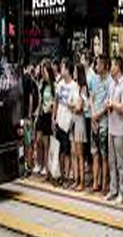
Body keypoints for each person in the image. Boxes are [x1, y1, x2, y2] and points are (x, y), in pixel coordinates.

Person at [105, 56, 123, 204]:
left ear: (118, 67)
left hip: (120, 129)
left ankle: (122, 191)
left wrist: (112, 104)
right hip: (111, 127)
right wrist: (108, 104)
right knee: (111, 161)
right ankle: (113, 189)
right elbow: (108, 101)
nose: (110, 68)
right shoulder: (111, 84)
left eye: (113, 65)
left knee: (121, 163)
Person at [53, 58, 77, 188]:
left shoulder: (74, 86)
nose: (60, 70)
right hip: (59, 121)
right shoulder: (60, 84)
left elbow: (75, 104)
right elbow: (56, 101)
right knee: (59, 150)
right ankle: (61, 175)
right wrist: (53, 117)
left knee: (67, 151)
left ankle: (67, 176)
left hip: (68, 122)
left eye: (62, 67)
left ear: (67, 69)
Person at [90, 54, 111, 193]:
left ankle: (104, 183)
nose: (96, 66)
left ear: (104, 65)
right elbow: (91, 98)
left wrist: (98, 115)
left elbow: (108, 103)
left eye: (98, 64)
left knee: (104, 155)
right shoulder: (94, 79)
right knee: (95, 153)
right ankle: (95, 182)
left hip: (104, 122)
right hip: (94, 120)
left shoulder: (110, 81)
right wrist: (93, 114)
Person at [34, 60, 56, 177]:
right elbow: (40, 99)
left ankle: (46, 166)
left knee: (46, 143)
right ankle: (40, 163)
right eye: (42, 71)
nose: (43, 74)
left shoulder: (53, 85)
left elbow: (55, 101)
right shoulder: (42, 84)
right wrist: (37, 113)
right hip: (41, 114)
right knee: (38, 140)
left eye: (45, 71)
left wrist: (52, 110)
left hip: (48, 115)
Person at [70, 63, 88, 191]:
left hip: (80, 121)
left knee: (80, 153)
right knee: (74, 152)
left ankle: (82, 181)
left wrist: (73, 106)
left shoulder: (83, 88)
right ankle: (76, 179)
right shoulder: (74, 86)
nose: (74, 73)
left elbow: (79, 107)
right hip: (73, 120)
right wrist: (73, 106)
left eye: (75, 71)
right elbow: (70, 104)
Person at [80, 49, 96, 169]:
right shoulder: (81, 73)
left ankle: (90, 163)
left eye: (82, 58)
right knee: (83, 139)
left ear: (87, 61)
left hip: (89, 112)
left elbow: (92, 95)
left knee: (90, 139)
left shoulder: (92, 75)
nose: (81, 61)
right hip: (82, 110)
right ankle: (86, 161)